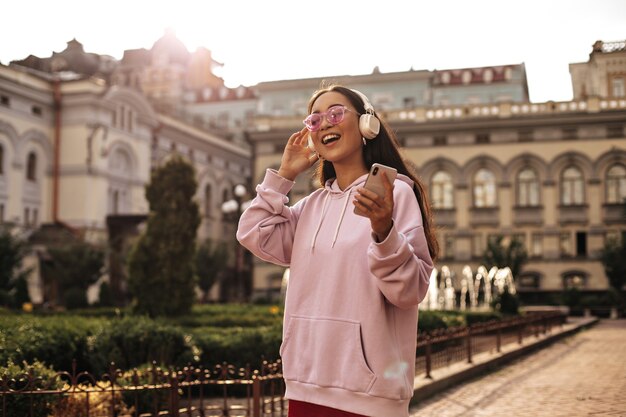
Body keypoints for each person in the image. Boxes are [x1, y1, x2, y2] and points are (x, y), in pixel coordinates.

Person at [236, 84, 439, 417]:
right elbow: (253, 232)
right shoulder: (309, 207)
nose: (325, 123)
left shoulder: (395, 195)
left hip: (370, 396)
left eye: (336, 113)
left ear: (366, 126)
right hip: (305, 386)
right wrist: (283, 176)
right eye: (315, 120)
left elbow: (409, 291)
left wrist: (383, 230)